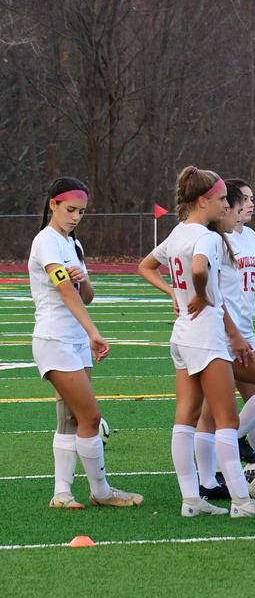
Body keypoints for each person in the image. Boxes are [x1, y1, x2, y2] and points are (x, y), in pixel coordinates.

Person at [138, 167, 255, 519]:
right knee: (226, 420)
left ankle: (191, 499)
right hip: (206, 337)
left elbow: (147, 265)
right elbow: (200, 270)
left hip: (183, 336)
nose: (225, 205)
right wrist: (200, 293)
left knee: (185, 418)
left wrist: (176, 293)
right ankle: (241, 502)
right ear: (203, 200)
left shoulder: (177, 232)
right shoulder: (208, 237)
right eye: (220, 199)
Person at [30, 177, 142, 510]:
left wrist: (84, 278)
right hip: (55, 339)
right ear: (53, 204)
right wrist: (94, 332)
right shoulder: (46, 241)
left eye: (81, 211)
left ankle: (62, 493)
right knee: (90, 417)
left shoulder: (73, 244)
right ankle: (101, 491)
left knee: (70, 418)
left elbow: (84, 295)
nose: (76, 217)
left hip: (75, 341)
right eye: (70, 209)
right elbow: (64, 291)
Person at [192, 181, 255, 500]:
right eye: (244, 199)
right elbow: (202, 278)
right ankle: (228, 453)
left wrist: (247, 291)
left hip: (245, 330)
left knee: (244, 403)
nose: (251, 204)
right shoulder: (216, 240)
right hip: (225, 334)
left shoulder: (250, 236)